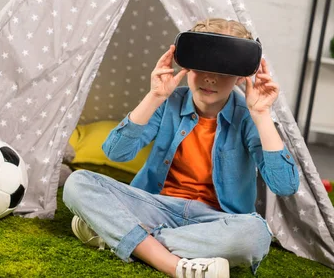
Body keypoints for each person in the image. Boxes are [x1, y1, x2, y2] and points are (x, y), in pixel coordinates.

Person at [63, 18, 299, 278]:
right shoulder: (169, 102)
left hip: (215, 221)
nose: (210, 78)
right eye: (202, 66)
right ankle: (172, 264)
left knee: (255, 236)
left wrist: (263, 115)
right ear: (187, 65)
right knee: (78, 183)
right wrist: (154, 97)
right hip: (154, 205)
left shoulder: (249, 116)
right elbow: (116, 153)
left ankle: (125, 237)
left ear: (241, 76)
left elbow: (285, 186)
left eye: (223, 71)